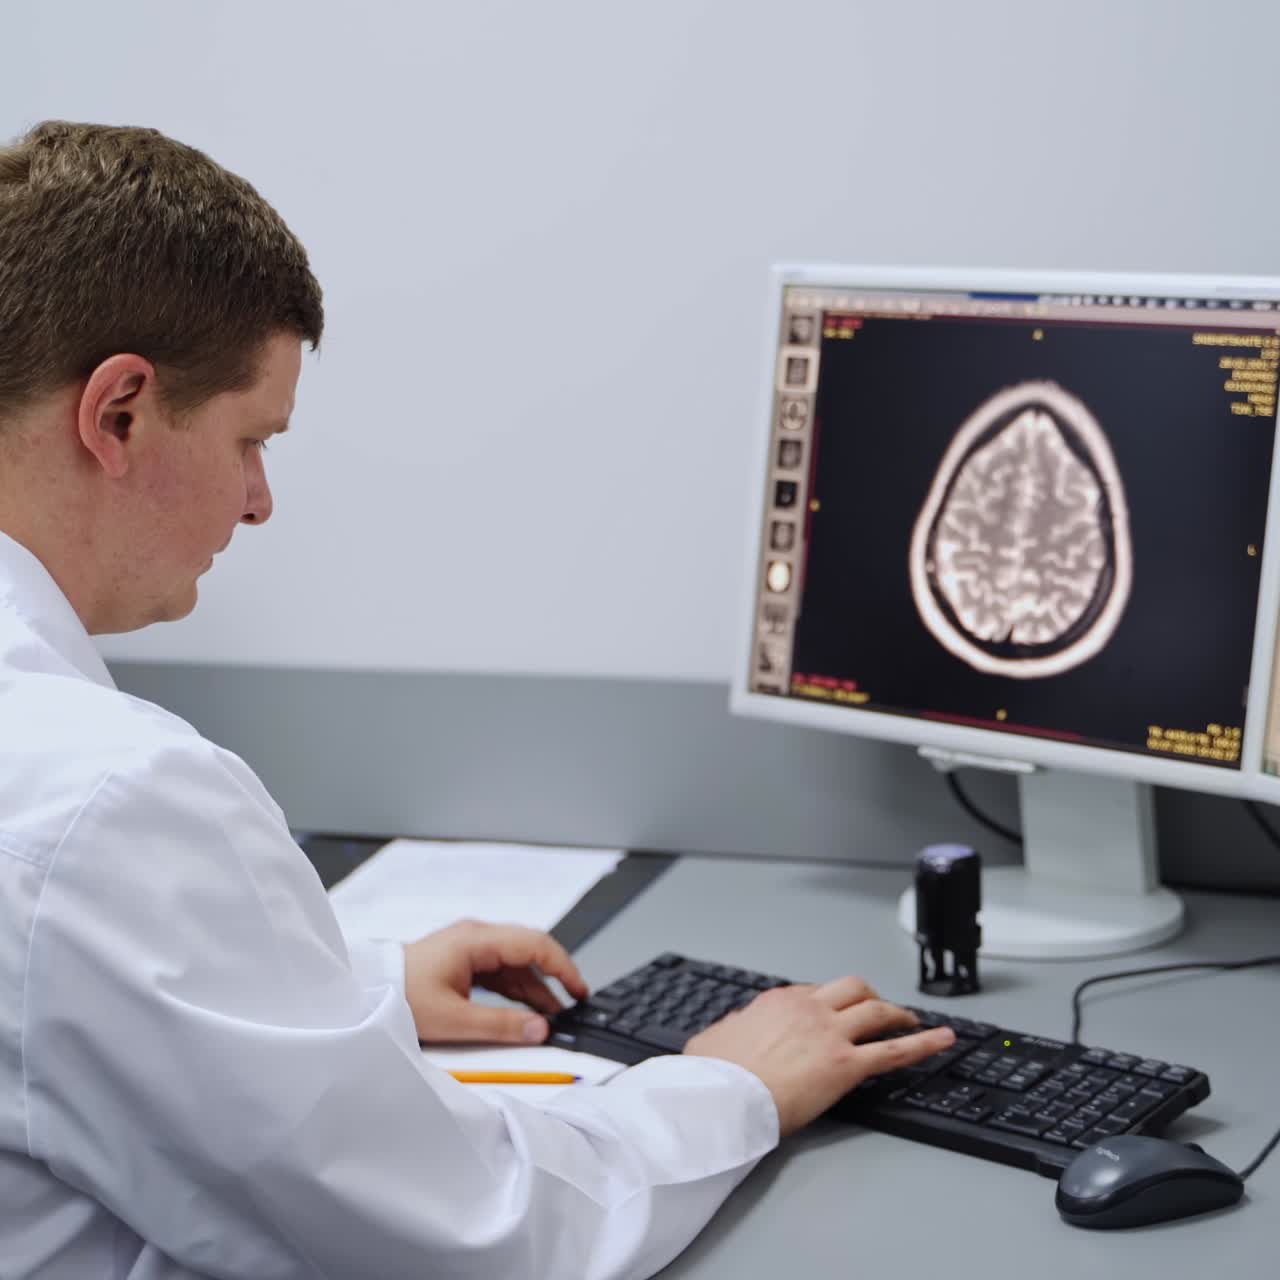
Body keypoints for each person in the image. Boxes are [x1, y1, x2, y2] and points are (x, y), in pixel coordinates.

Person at [0, 121, 955, 1279]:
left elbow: (65, 1000)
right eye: (252, 438)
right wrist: (734, 1084)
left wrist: (361, 988)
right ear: (119, 414)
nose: (259, 503)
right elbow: (476, 1232)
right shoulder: (107, 802)